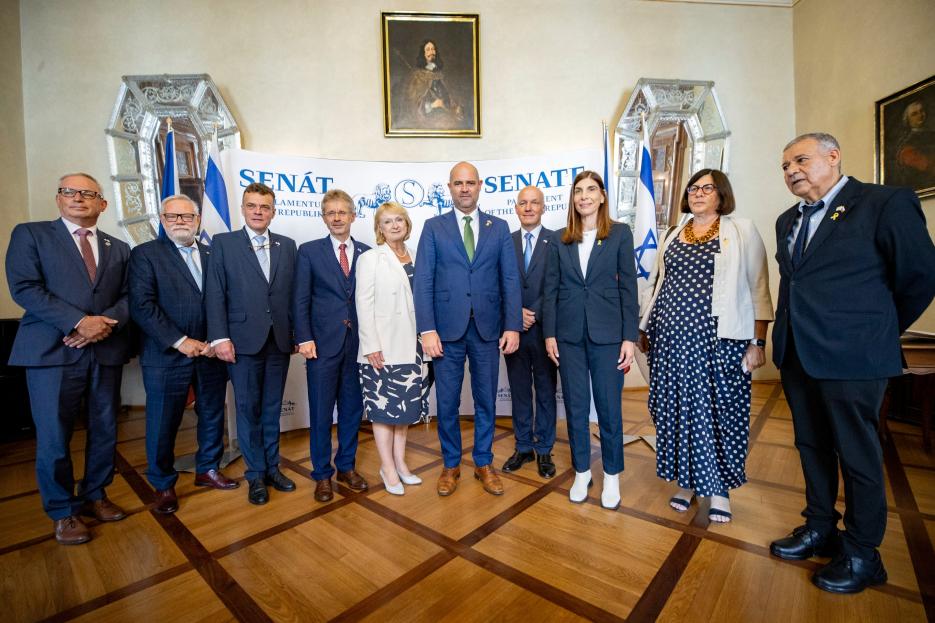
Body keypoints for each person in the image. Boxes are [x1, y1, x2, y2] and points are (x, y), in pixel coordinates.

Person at [769, 132, 935, 594]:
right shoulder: (788, 220)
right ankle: (820, 527)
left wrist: (875, 328)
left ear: (833, 156)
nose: (791, 171)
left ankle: (863, 553)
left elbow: (919, 276)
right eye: (784, 166)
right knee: (811, 446)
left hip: (855, 355)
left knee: (857, 454)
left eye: (800, 160)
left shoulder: (884, 203)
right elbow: (795, 285)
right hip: (799, 354)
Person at [638, 169, 773, 523]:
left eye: (707, 188)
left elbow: (759, 288)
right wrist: (644, 327)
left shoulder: (741, 230)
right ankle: (687, 482)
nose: (698, 194)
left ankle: (717, 489)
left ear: (721, 194)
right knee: (675, 411)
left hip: (718, 340)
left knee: (717, 412)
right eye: (693, 188)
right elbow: (655, 285)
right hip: (669, 341)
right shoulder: (672, 233)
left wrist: (758, 341)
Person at [6, 173, 131, 545]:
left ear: (102, 204)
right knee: (54, 437)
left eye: (88, 193)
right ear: (59, 198)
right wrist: (79, 322)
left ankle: (95, 495)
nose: (79, 198)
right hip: (52, 352)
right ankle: (63, 510)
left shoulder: (119, 247)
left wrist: (103, 325)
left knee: (105, 429)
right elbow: (25, 288)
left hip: (105, 350)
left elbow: (129, 297)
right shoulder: (31, 235)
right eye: (70, 192)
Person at [414, 161, 522, 497]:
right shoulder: (434, 227)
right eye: (458, 183)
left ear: (479, 186)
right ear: (449, 187)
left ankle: (483, 462)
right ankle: (450, 464)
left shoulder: (499, 227)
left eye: (470, 182)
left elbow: (509, 279)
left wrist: (513, 325)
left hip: (488, 329)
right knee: (446, 402)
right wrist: (426, 329)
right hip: (445, 331)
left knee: (486, 399)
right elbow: (424, 281)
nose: (464, 188)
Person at [129, 195, 238, 515]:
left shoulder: (212, 253)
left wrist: (217, 341)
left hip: (211, 353)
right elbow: (142, 306)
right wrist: (180, 340)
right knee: (163, 421)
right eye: (172, 216)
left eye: (187, 216)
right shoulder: (145, 255)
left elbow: (225, 300)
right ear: (162, 220)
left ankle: (208, 468)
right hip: (167, 355)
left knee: (212, 413)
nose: (180, 221)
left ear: (198, 219)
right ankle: (163, 484)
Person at [543, 170, 638, 510]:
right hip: (568, 336)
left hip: (608, 335)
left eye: (590, 190)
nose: (583, 196)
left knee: (610, 409)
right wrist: (549, 333)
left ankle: (611, 474)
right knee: (576, 407)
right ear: (573, 198)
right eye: (578, 191)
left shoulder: (619, 234)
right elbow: (550, 290)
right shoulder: (559, 238)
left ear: (602, 197)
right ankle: (582, 470)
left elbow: (628, 287)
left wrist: (630, 337)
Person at [206, 182, 297, 506]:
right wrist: (220, 338)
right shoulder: (224, 243)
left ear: (273, 211)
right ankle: (255, 475)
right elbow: (215, 294)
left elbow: (292, 296)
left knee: (272, 410)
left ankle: (273, 468)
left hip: (279, 342)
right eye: (252, 206)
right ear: (243, 209)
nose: (258, 211)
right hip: (241, 343)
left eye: (265, 206)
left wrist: (297, 335)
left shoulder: (288, 245)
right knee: (248, 410)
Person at [293, 189, 371, 502]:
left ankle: (347, 467)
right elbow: (300, 298)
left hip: (358, 346)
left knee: (352, 411)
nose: (337, 218)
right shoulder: (309, 251)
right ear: (324, 217)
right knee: (322, 413)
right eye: (331, 213)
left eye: (342, 212)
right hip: (321, 345)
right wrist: (304, 337)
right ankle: (322, 474)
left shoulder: (367, 252)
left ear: (353, 216)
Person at [355, 201, 430, 495]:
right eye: (388, 221)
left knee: (406, 412)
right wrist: (371, 345)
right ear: (379, 228)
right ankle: (387, 468)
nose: (395, 225)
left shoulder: (417, 256)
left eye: (400, 219)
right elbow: (364, 304)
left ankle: (400, 463)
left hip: (414, 347)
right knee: (385, 412)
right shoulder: (371, 259)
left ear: (407, 224)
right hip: (382, 349)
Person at [502, 186, 558, 478]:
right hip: (513, 332)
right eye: (523, 203)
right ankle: (523, 447)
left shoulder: (557, 241)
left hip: (545, 331)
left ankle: (544, 450)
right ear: (516, 208)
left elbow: (557, 284)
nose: (528, 207)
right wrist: (514, 316)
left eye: (534, 203)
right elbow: (496, 284)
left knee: (546, 391)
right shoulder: (504, 241)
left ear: (543, 207)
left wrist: (532, 313)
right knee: (520, 391)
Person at [398, 39, 466, 130]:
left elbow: (449, 97)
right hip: (428, 121)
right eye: (428, 49)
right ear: (423, 54)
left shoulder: (439, 75)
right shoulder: (418, 77)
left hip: (445, 117)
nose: (431, 52)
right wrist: (432, 105)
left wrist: (455, 107)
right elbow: (413, 105)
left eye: (433, 49)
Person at [893, 100, 935, 190]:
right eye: (914, 114)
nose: (920, 115)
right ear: (907, 120)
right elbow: (926, 165)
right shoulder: (906, 142)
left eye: (921, 111)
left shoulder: (932, 134)